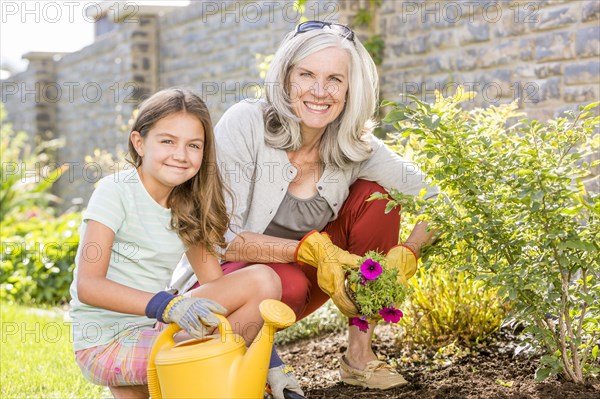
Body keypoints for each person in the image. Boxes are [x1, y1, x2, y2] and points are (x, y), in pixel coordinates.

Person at [172, 20, 440, 397]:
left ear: (350, 89)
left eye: (334, 79)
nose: (319, 91)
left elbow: (436, 199)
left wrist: (408, 252)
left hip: (310, 276)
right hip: (229, 278)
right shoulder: (247, 122)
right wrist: (304, 250)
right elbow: (217, 237)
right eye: (306, 75)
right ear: (285, 79)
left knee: (376, 199)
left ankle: (359, 358)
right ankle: (251, 359)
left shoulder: (356, 146)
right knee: (289, 282)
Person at [69, 88, 282, 399]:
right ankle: (173, 378)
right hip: (106, 343)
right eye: (167, 141)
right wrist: (167, 305)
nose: (181, 155)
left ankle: (162, 380)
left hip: (158, 331)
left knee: (263, 279)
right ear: (139, 143)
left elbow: (218, 290)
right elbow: (89, 286)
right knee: (206, 379)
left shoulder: (188, 204)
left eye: (193, 145)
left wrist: (266, 358)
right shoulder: (115, 191)